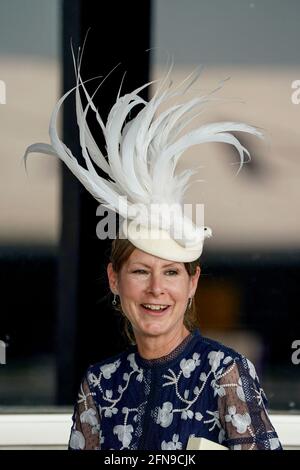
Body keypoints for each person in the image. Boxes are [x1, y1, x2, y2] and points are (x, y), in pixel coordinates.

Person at [24, 55, 282, 450]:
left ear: (193, 282)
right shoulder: (100, 383)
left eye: (172, 272)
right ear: (115, 279)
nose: (156, 288)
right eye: (141, 271)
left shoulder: (225, 372)